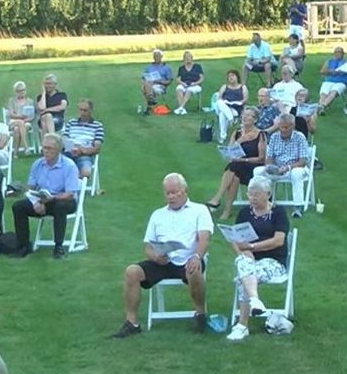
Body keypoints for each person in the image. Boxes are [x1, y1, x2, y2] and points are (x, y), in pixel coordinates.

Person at [111, 173, 213, 338]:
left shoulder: (199, 210)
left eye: (175, 192)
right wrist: (155, 256)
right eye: (168, 193)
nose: (171, 196)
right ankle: (132, 323)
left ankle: (200, 314)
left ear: (185, 191)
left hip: (188, 258)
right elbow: (148, 246)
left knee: (194, 269)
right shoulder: (158, 215)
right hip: (163, 261)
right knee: (131, 271)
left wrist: (197, 256)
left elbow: (204, 238)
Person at [226, 176, 290, 341]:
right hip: (250, 260)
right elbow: (234, 238)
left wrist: (253, 247)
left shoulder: (278, 213)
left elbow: (278, 241)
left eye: (256, 194)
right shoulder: (245, 213)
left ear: (268, 194)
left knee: (243, 276)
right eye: (250, 194)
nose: (252, 198)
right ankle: (255, 301)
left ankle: (242, 325)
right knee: (243, 263)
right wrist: (243, 253)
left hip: (274, 262)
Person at [10, 133, 81, 259]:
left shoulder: (69, 166)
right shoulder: (38, 164)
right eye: (44, 148)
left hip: (63, 200)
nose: (45, 151)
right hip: (42, 199)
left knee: (60, 206)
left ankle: (58, 247)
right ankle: (24, 245)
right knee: (18, 206)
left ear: (58, 150)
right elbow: (30, 188)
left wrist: (51, 199)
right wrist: (35, 202)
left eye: (49, 148)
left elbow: (70, 194)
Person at [206, 107, 267, 220]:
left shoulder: (260, 135)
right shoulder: (237, 133)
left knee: (235, 167)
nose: (245, 117)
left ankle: (217, 198)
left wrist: (244, 160)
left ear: (255, 119)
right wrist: (240, 140)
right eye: (244, 114)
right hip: (238, 167)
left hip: (253, 167)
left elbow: (262, 158)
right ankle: (226, 211)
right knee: (235, 174)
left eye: (249, 115)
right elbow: (229, 153)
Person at [254, 113, 309, 218]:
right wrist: (270, 167)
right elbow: (269, 157)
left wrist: (287, 168)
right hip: (277, 169)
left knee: (296, 173)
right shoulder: (275, 137)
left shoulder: (300, 137)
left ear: (292, 127)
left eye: (285, 127)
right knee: (257, 171)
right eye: (280, 127)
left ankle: (298, 206)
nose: (282, 130)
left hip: (294, 168)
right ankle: (263, 203)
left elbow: (302, 161)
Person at [62, 99, 104, 179]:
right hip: (69, 153)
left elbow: (97, 148)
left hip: (84, 155)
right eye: (80, 110)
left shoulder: (97, 126)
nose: (82, 113)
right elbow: (64, 139)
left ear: (91, 111)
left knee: (86, 172)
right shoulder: (71, 123)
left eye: (85, 110)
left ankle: (73, 185)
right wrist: (72, 149)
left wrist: (82, 150)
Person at [214, 70, 248, 143]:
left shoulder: (243, 87)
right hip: (225, 106)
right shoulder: (224, 87)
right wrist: (226, 102)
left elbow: (245, 99)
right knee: (219, 103)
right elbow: (220, 98)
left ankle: (222, 137)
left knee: (222, 114)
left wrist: (237, 102)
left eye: (232, 76)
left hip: (236, 108)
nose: (231, 77)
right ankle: (231, 119)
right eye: (229, 76)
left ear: (237, 77)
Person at [5, 81, 35, 155]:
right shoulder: (12, 101)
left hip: (26, 122)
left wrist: (23, 120)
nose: (21, 92)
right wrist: (21, 117)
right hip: (13, 121)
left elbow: (31, 116)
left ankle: (15, 153)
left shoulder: (30, 101)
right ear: (15, 92)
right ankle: (26, 147)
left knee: (17, 129)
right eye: (18, 91)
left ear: (25, 90)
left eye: (22, 90)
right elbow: (11, 114)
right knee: (19, 124)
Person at [317, 46, 347, 112]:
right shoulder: (329, 61)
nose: (337, 54)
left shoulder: (346, 61)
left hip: (341, 82)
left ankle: (322, 106)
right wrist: (331, 71)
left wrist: (335, 72)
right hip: (329, 81)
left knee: (334, 91)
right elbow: (322, 71)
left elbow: (345, 70)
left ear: (343, 54)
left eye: (339, 52)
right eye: (336, 52)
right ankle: (321, 106)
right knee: (323, 92)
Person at [173, 51, 204, 115]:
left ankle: (181, 108)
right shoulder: (181, 68)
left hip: (195, 84)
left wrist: (195, 83)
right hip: (184, 84)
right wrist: (182, 83)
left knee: (189, 90)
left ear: (192, 58)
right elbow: (178, 79)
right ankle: (182, 109)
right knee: (178, 89)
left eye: (189, 57)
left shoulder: (197, 66)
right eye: (186, 57)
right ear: (183, 59)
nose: (187, 59)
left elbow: (202, 78)